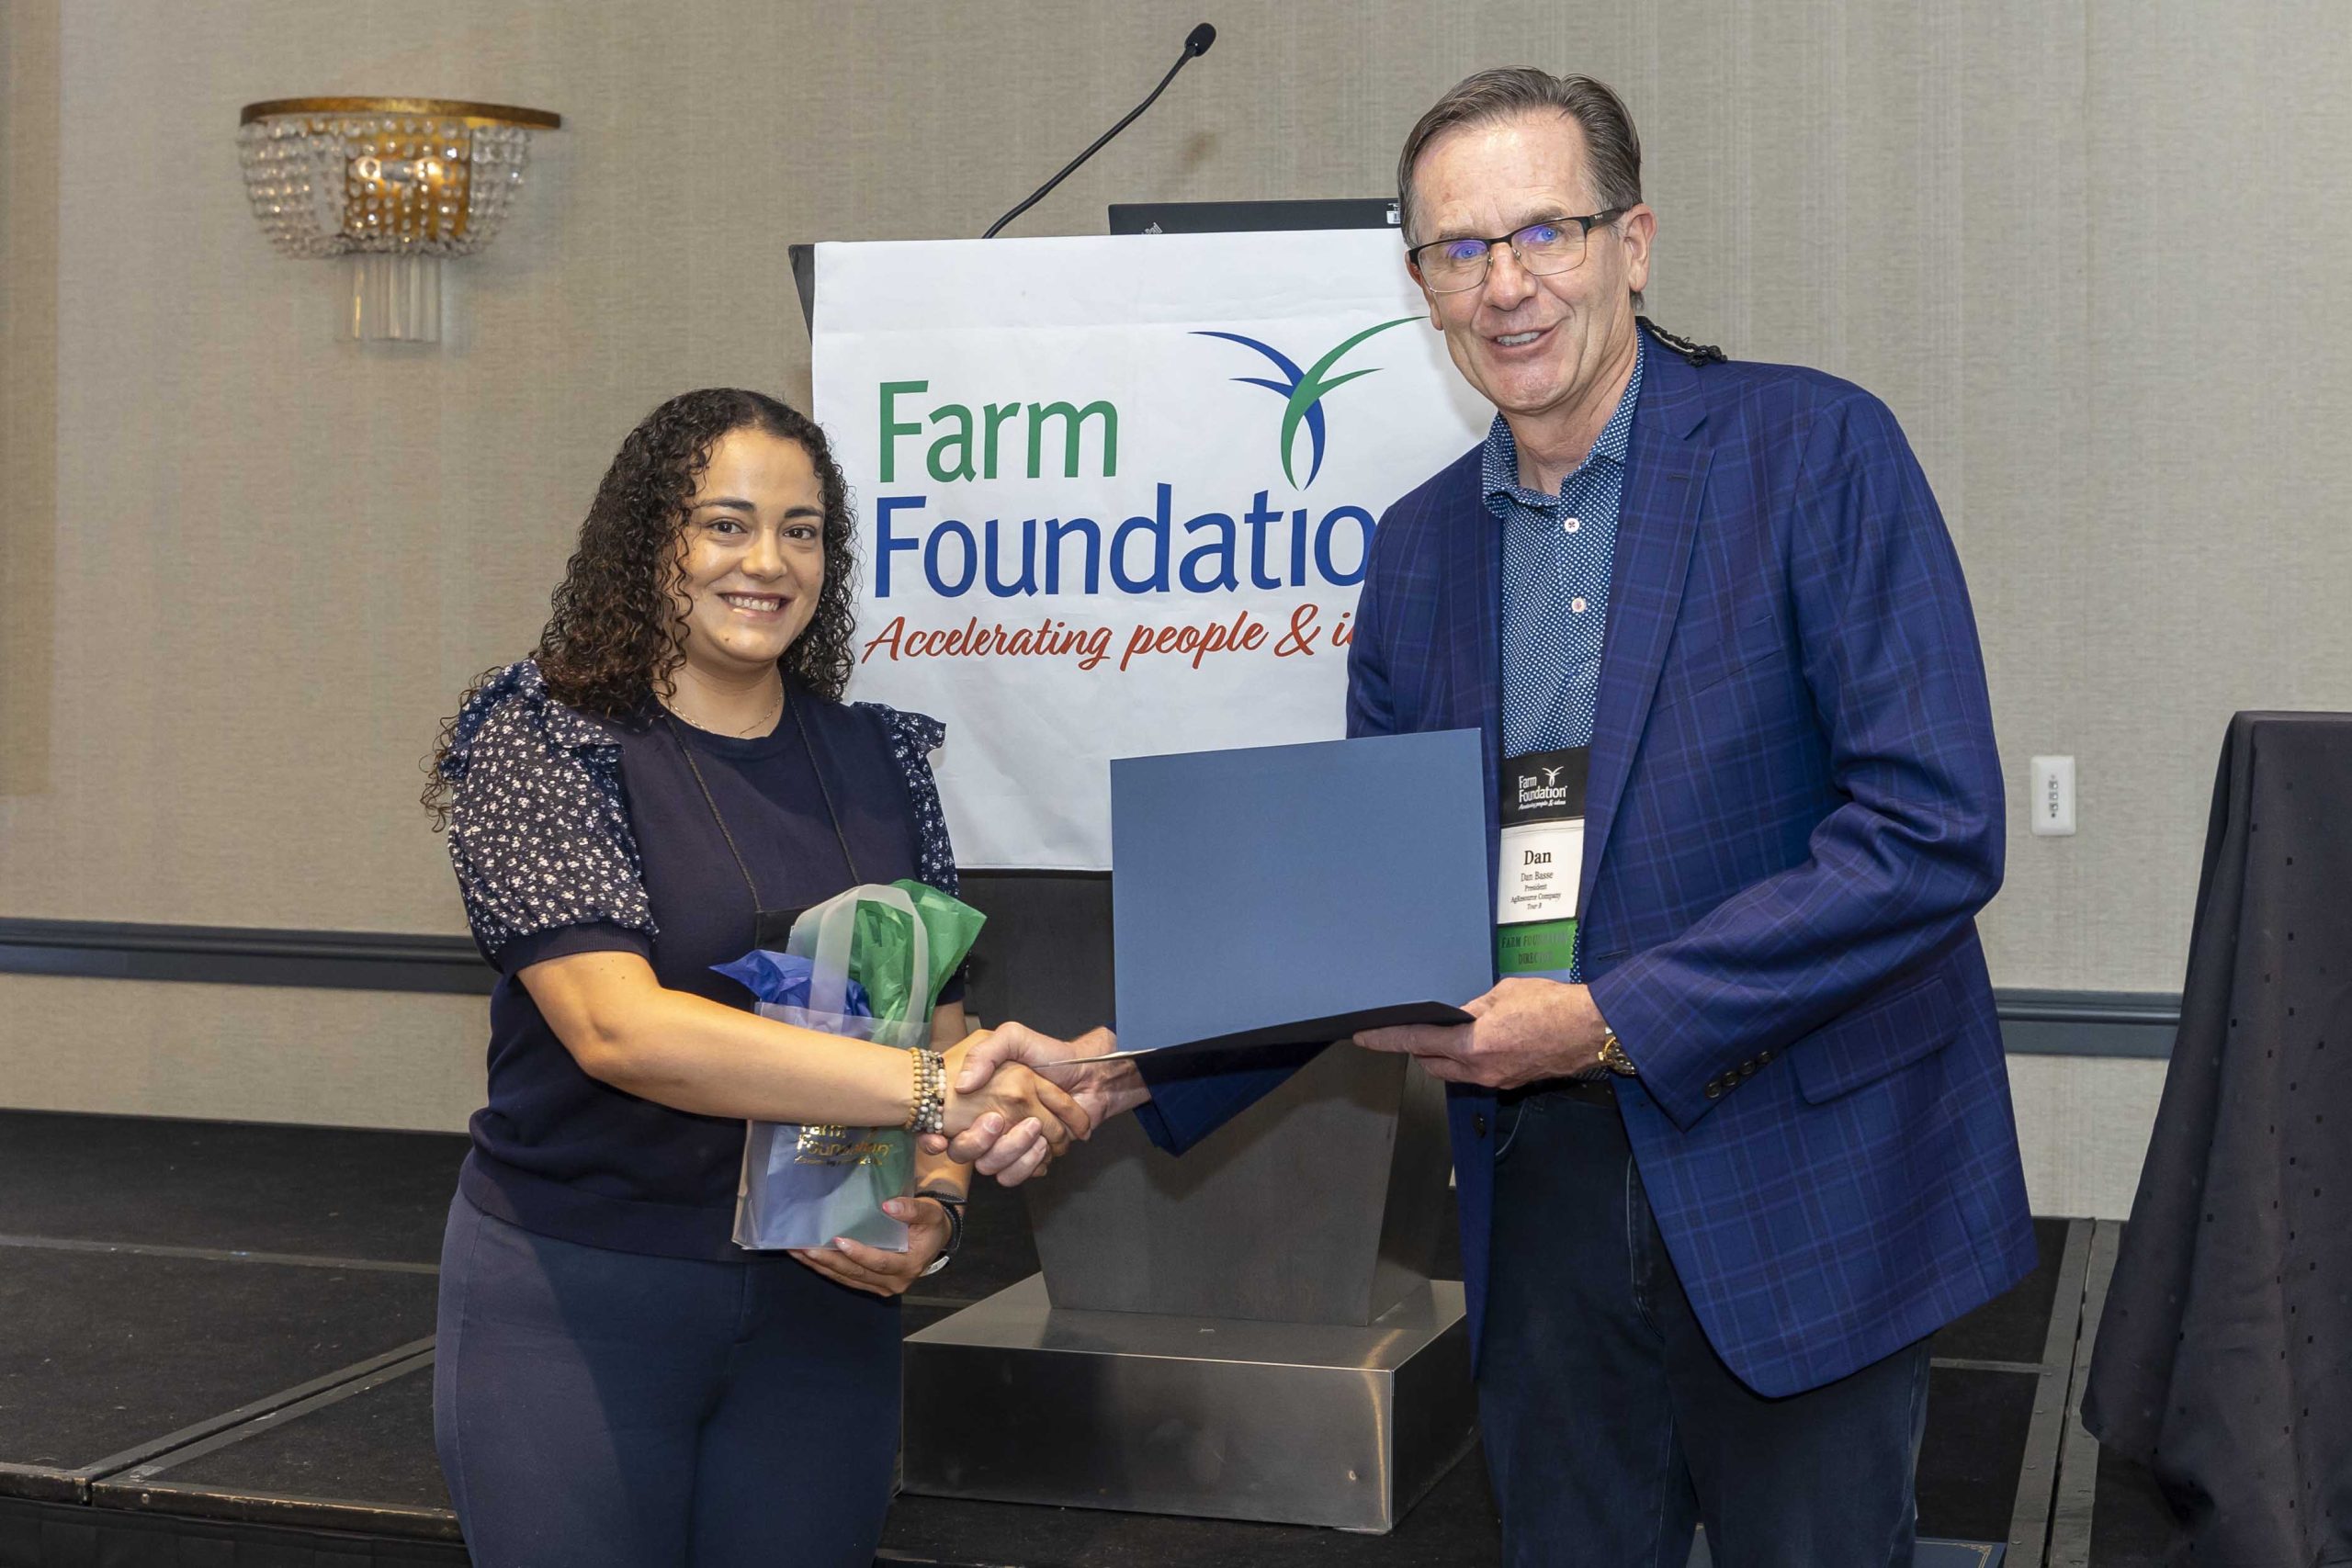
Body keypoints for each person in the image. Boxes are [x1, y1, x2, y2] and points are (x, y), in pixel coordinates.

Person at [956, 68, 2037, 1567]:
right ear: (1421, 285)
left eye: (1544, 232)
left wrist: (1609, 1016)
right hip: (1541, 1201)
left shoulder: (1814, 454)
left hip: (1801, 1174)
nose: (1505, 285)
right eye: (1459, 249)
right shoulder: (1415, 554)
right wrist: (1118, 1063)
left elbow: (1929, 827)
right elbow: (1364, 916)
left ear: (1632, 242)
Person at [421, 389, 1084, 1568]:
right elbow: (621, 1032)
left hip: (824, 1311)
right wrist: (940, 1092)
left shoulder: (881, 760)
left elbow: (937, 1018)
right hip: (581, 1300)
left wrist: (938, 1205)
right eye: (725, 524)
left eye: (802, 530)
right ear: (649, 542)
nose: (768, 562)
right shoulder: (543, 737)